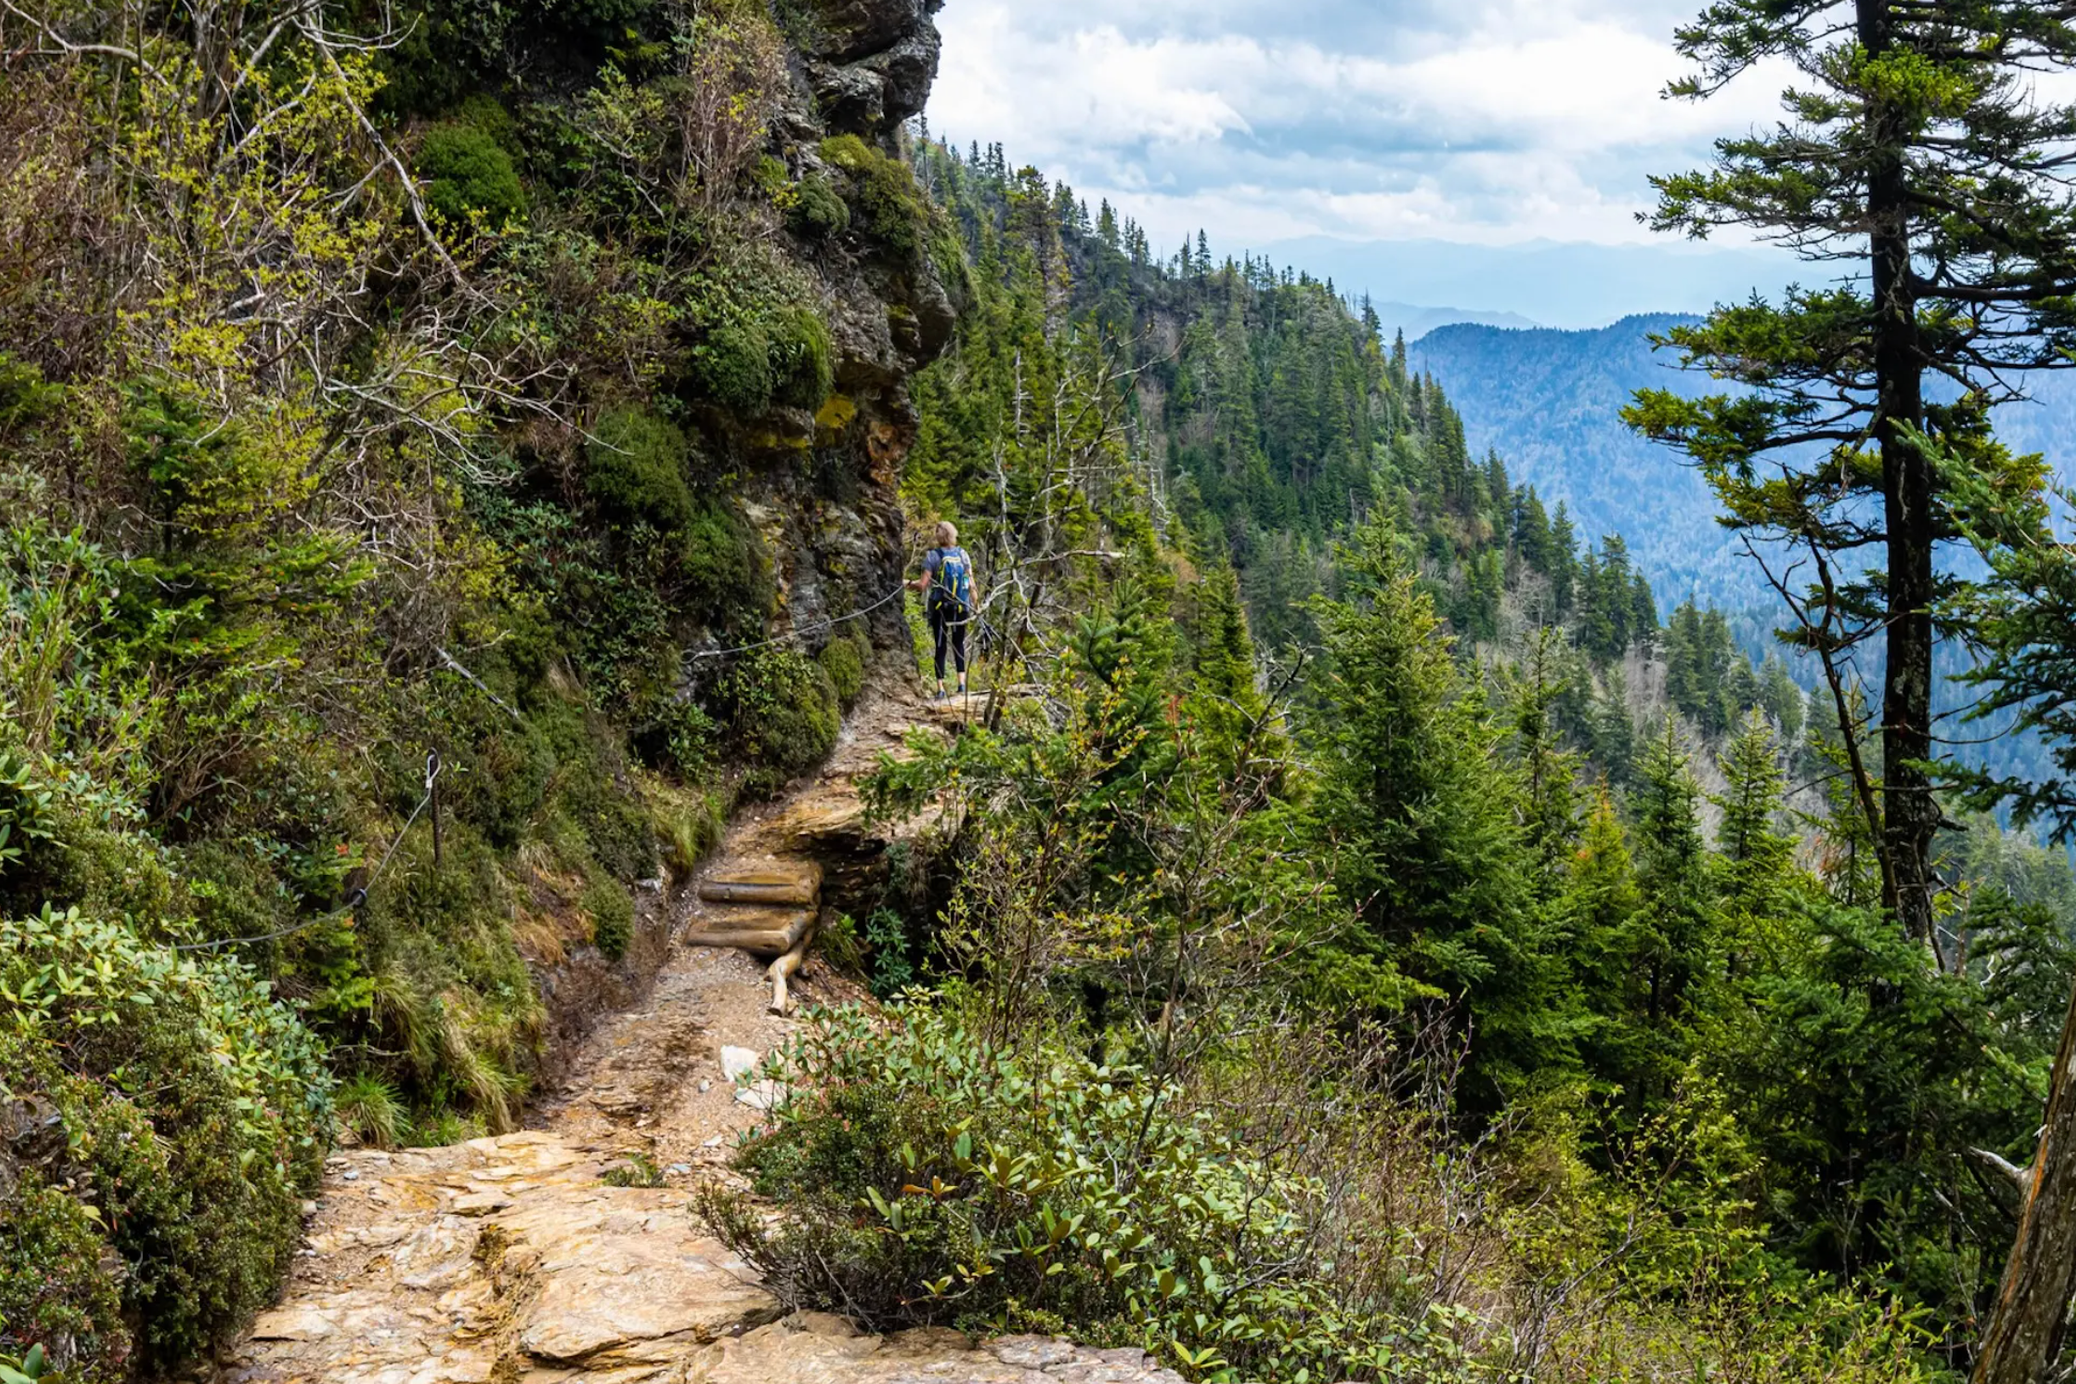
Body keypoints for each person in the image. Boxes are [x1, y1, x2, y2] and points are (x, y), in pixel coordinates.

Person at [911, 520, 973, 700]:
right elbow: (970, 582)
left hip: (940, 607)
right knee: (958, 643)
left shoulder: (933, 556)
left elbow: (922, 585)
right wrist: (974, 604)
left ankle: (941, 688)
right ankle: (962, 685)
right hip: (961, 606)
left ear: (938, 537)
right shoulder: (963, 554)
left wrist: (907, 583)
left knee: (940, 645)